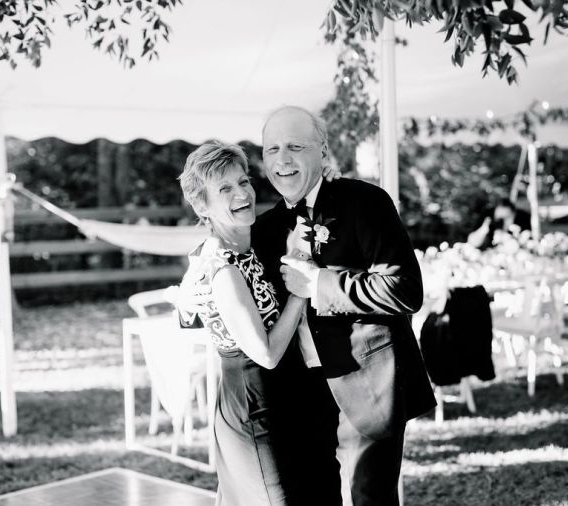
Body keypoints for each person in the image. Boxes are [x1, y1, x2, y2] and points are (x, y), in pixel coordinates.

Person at [253, 106, 435, 505]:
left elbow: (405, 290)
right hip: (301, 395)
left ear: (322, 150)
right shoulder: (263, 229)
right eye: (272, 149)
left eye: (295, 146)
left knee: (369, 499)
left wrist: (318, 284)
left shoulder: (365, 202)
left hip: (368, 384)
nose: (282, 159)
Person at [177, 141, 310, 505]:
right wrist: (301, 292)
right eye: (225, 188)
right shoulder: (222, 267)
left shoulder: (247, 245)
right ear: (201, 206)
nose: (242, 194)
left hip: (280, 401)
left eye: (244, 181)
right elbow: (265, 354)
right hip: (252, 408)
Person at [467, 198, 531, 250]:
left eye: (506, 218)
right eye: (499, 218)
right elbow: (472, 242)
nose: (502, 222)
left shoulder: (523, 219)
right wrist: (482, 232)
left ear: (513, 215)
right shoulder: (488, 218)